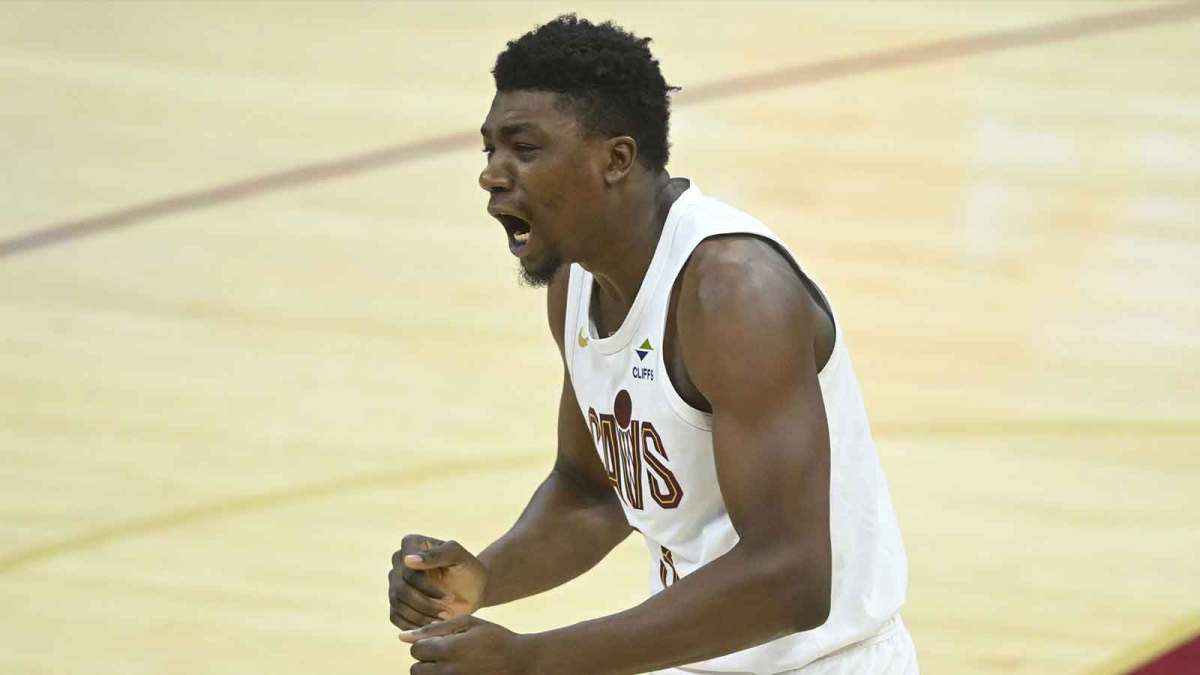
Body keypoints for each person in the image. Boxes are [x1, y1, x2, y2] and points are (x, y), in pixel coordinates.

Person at [389, 15, 916, 675]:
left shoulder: (734, 293)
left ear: (615, 159)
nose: (492, 175)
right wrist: (482, 577)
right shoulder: (578, 282)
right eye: (489, 149)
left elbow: (793, 576)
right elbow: (593, 492)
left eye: (523, 148)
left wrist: (534, 660)